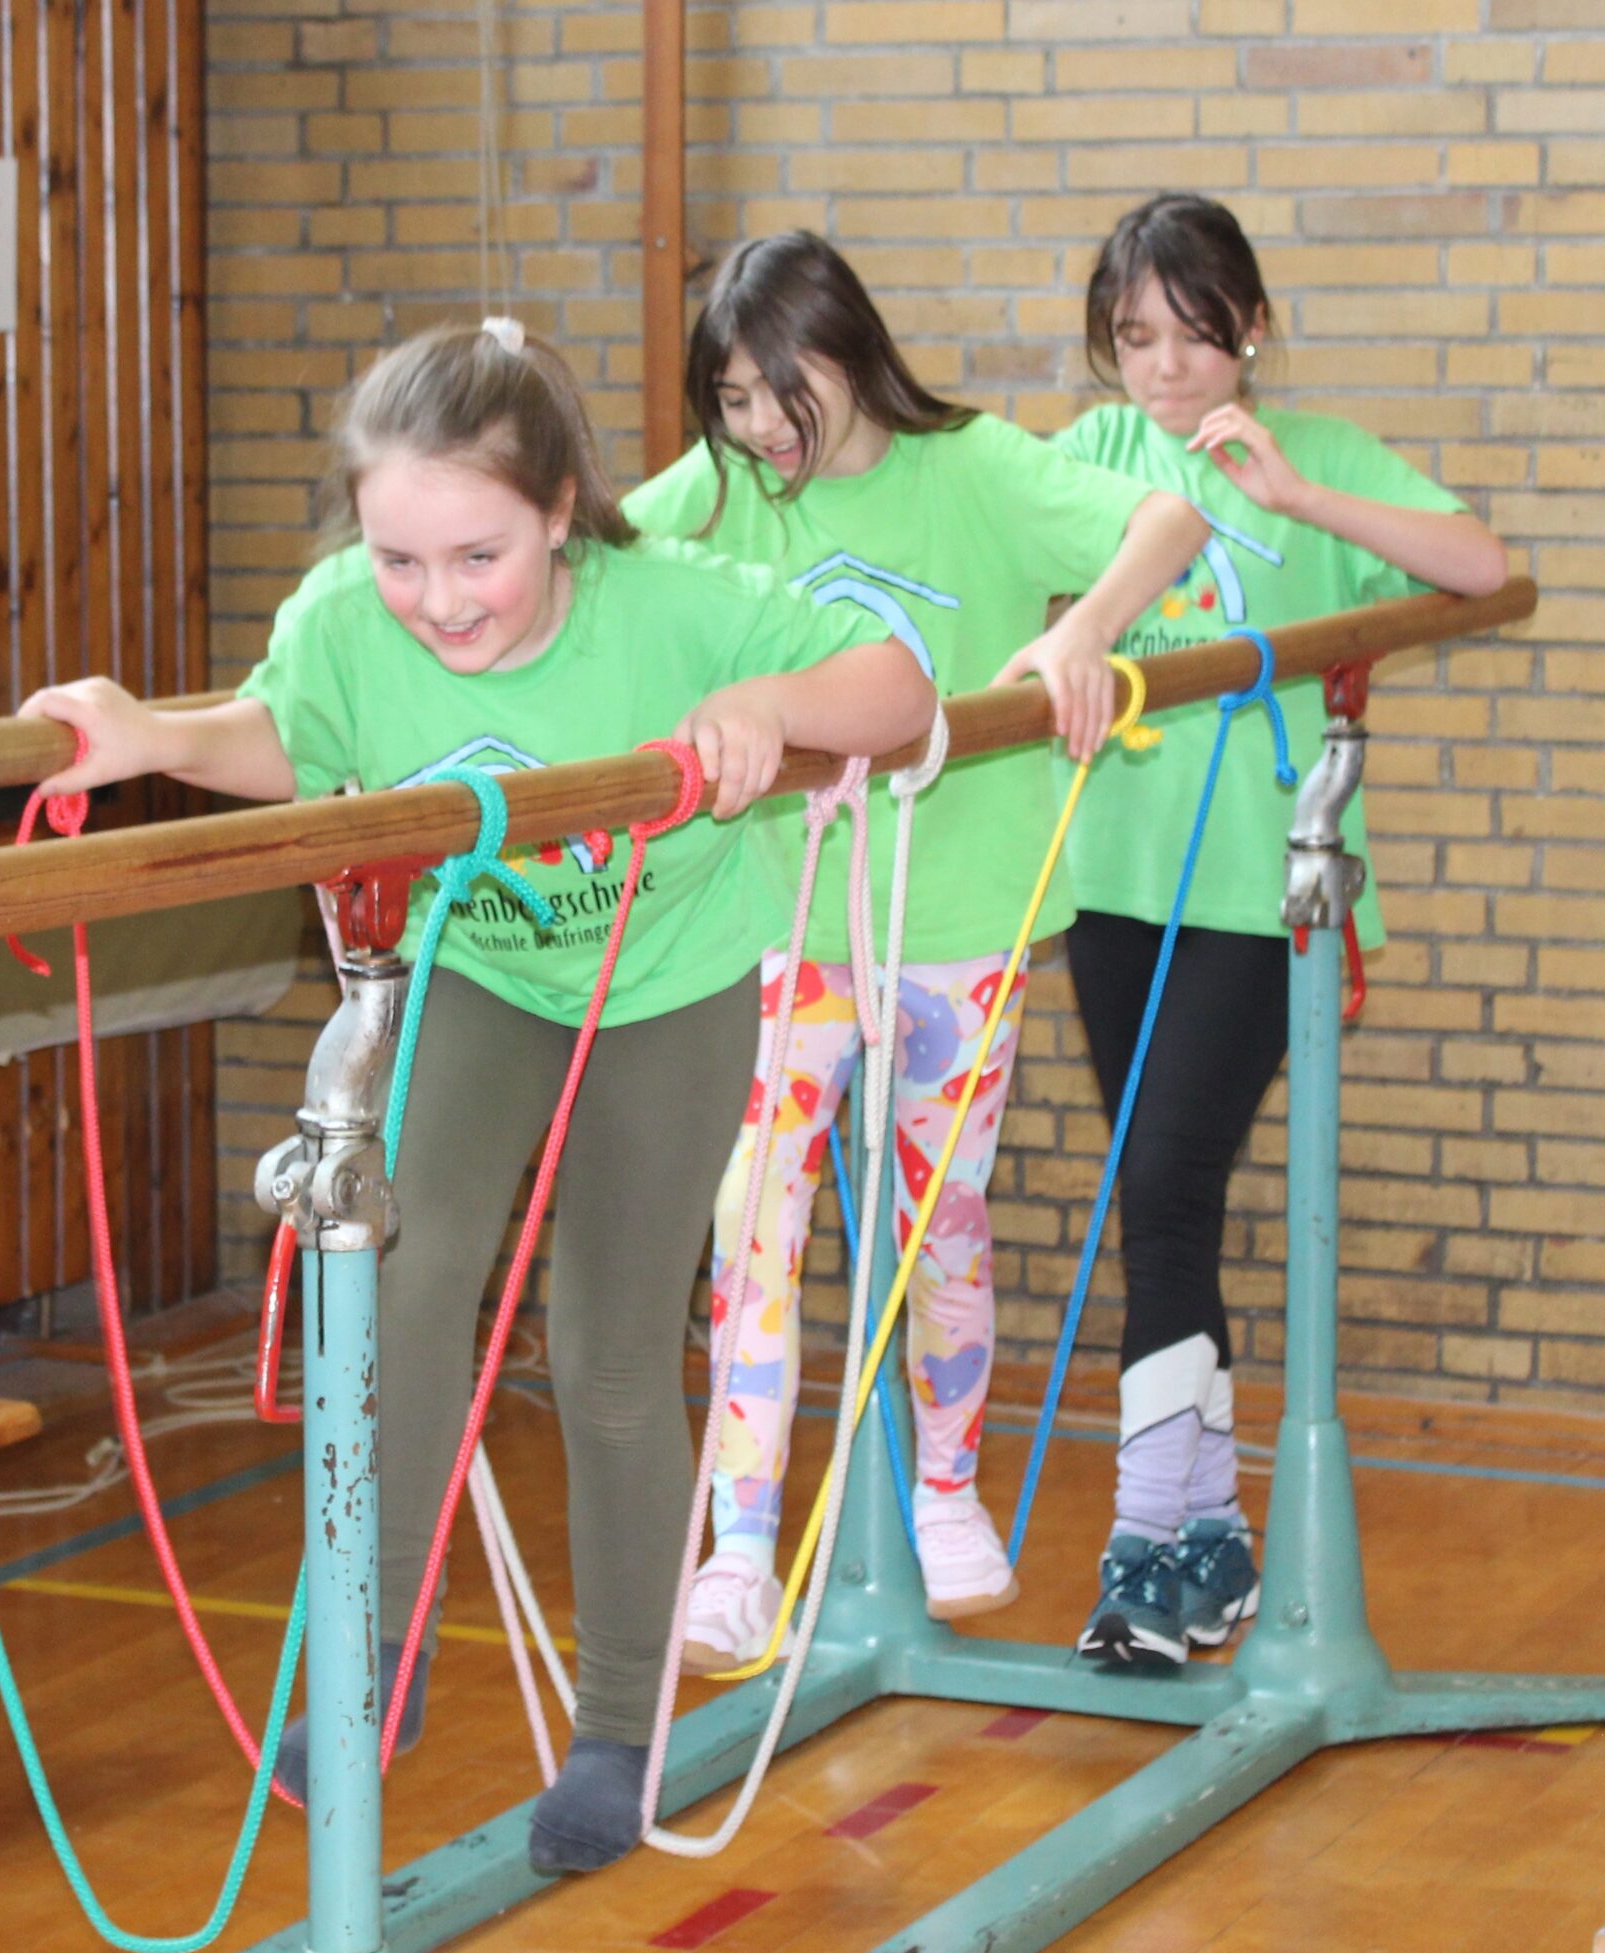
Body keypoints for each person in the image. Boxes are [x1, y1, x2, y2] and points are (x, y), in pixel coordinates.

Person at [20, 318, 932, 1871]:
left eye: (479, 559)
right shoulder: (341, 624)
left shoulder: (667, 612)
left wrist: (773, 709)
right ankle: (378, 1646)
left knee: (607, 1351)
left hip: (664, 985)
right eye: (399, 560)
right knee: (399, 1276)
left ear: (563, 509)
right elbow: (287, 735)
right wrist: (155, 737)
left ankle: (620, 1726)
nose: (437, 602)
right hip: (482, 975)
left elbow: (900, 688)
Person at [625, 231, 1208, 1663]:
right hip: (782, 926)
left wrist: (1085, 636)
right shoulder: (724, 489)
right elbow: (600, 566)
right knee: (752, 1225)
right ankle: (741, 1540)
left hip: (957, 931)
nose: (760, 430)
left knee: (938, 1220)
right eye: (734, 401)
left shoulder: (978, 472)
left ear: (847, 356)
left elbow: (1170, 519)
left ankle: (946, 1485)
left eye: (779, 395)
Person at [1057, 192, 1507, 1669]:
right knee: (1162, 1204)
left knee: (1168, 1178)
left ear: (1250, 328)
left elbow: (1481, 567)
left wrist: (1301, 497)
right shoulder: (1091, 457)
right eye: (1136, 338)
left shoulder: (1309, 450)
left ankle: (1146, 1548)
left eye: (1195, 334)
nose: (1167, 369)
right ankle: (1210, 1544)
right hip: (1116, 894)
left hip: (1264, 896)